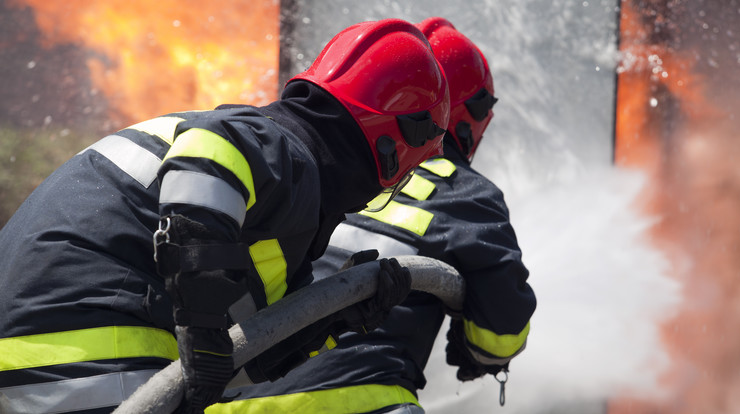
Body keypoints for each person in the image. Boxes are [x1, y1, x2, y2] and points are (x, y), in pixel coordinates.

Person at [0, 19, 451, 414]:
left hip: (38, 356)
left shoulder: (263, 207)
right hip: (86, 352)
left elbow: (232, 363)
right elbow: (211, 153)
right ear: (392, 149)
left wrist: (336, 319)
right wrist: (202, 325)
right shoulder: (280, 149)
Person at [209, 17, 537, 414]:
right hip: (359, 402)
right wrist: (476, 348)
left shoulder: (306, 170)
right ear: (468, 114)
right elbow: (500, 333)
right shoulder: (464, 193)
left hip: (228, 400)